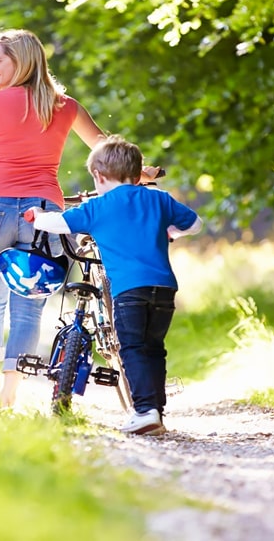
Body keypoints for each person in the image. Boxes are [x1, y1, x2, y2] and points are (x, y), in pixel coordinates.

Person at [0, 28, 109, 408]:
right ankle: (10, 392)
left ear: (22, 60)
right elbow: (104, 148)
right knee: (30, 302)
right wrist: (140, 172)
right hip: (43, 213)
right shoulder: (66, 106)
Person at [27, 135, 202, 436]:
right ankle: (155, 409)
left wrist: (37, 217)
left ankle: (145, 411)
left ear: (98, 175)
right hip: (164, 289)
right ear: (137, 175)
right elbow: (195, 224)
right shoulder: (158, 199)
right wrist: (171, 232)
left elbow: (60, 224)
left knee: (132, 348)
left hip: (128, 291)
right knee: (154, 348)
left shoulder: (99, 207)